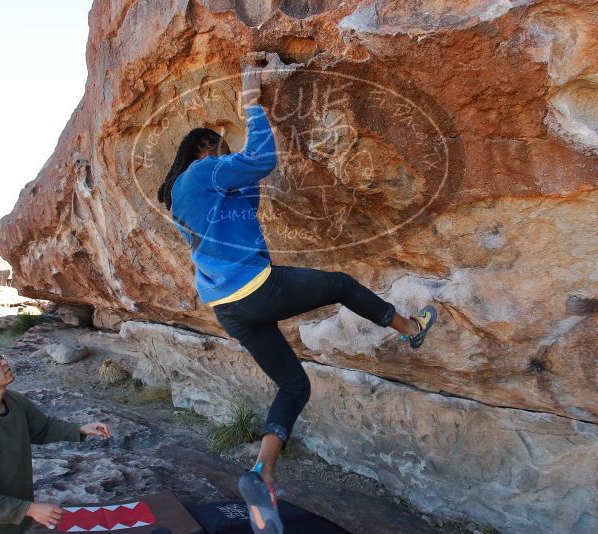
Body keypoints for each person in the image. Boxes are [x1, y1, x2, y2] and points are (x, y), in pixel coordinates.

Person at [159, 66, 437, 534]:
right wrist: (253, 103)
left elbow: (247, 198)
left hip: (229, 310)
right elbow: (259, 160)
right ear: (206, 148)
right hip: (254, 288)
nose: (227, 156)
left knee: (294, 387)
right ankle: (411, 329)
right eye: (221, 149)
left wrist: (248, 166)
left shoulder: (185, 196)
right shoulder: (206, 168)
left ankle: (261, 474)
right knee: (342, 284)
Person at [0, 345, 112, 533]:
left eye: (0, 356)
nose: (4, 363)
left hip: (13, 524)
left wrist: (80, 429)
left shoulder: (13, 401)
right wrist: (29, 509)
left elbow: (43, 427)